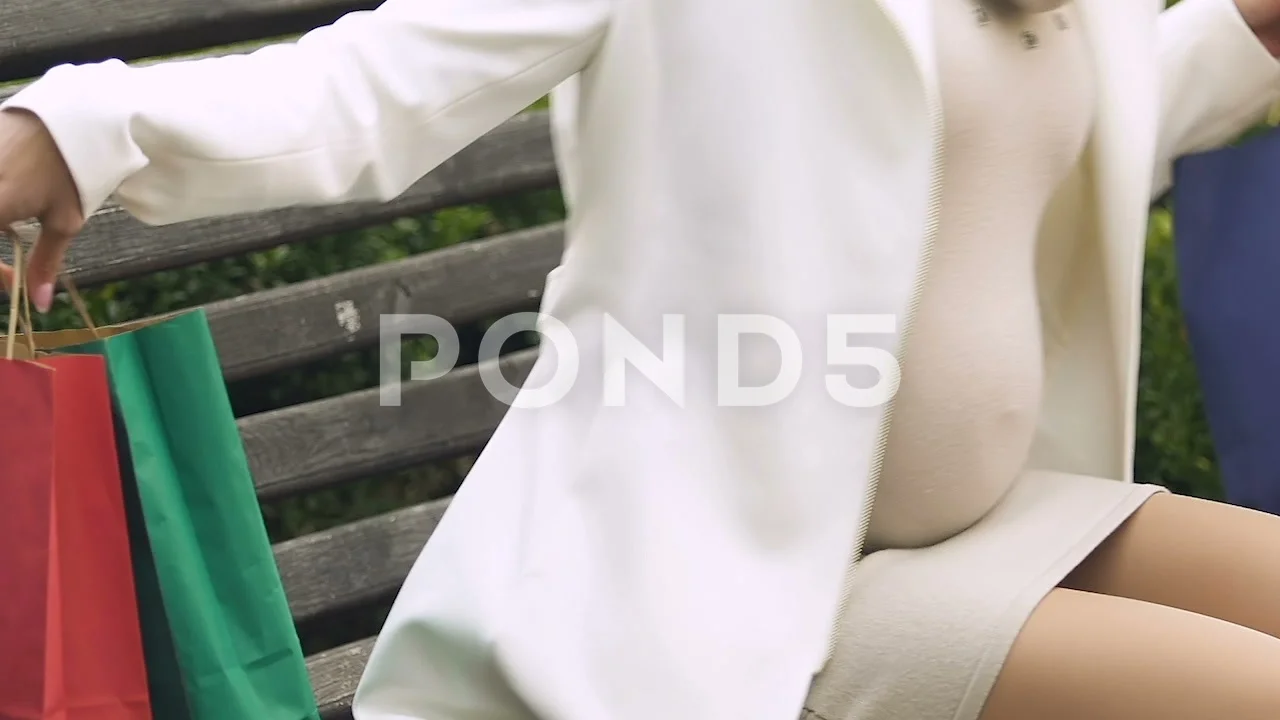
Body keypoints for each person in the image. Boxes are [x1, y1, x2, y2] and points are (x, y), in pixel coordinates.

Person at [2, 0, 1280, 717]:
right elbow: (370, 91)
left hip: (986, 522)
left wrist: (1233, 36)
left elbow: (1047, 136)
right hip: (743, 597)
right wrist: (79, 126)